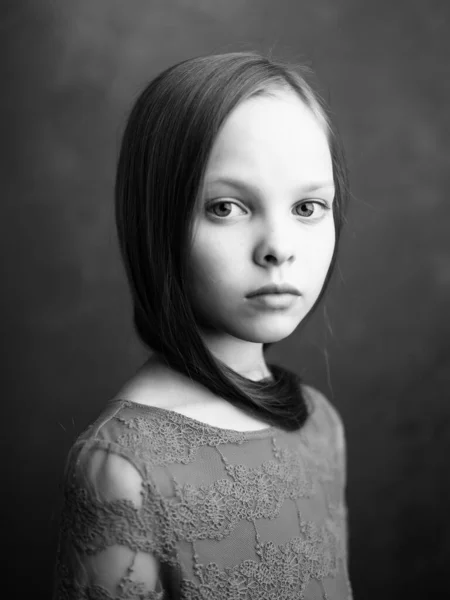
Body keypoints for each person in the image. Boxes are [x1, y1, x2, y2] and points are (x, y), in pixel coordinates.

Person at [53, 51, 352, 599]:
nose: (278, 249)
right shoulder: (123, 469)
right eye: (226, 208)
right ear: (157, 220)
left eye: (308, 208)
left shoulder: (320, 425)